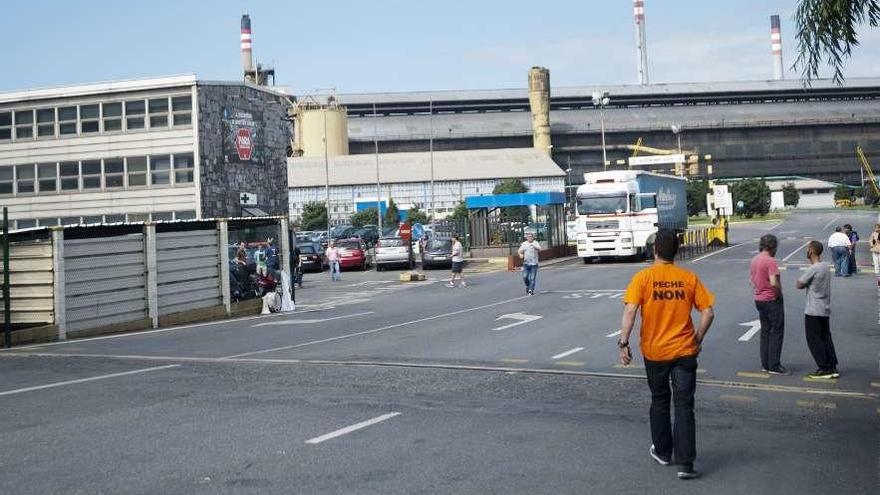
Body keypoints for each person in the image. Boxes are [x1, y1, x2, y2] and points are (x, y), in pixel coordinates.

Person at [618, 229, 715, 480]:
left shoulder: (643, 278)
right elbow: (708, 312)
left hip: (655, 352)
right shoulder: (688, 277)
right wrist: (699, 338)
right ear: (676, 251)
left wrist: (623, 343)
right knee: (684, 405)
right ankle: (686, 464)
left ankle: (662, 451)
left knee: (659, 400)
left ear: (655, 250)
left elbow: (630, 312)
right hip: (684, 351)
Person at [795, 241, 839, 379]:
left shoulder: (813, 269)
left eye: (808, 249)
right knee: (826, 338)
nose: (806, 251)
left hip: (813, 310)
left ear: (812, 251)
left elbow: (799, 284)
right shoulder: (825, 266)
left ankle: (823, 367)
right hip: (824, 308)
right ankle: (832, 366)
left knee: (814, 339)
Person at [750, 234, 788, 374]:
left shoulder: (755, 259)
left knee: (765, 331)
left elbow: (752, 280)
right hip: (771, 299)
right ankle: (774, 365)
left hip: (759, 298)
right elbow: (773, 282)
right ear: (772, 246)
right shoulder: (770, 261)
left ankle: (765, 363)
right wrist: (778, 294)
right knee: (776, 332)